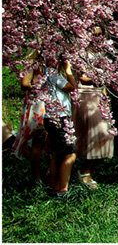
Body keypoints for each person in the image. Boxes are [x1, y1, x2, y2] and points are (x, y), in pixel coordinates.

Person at [16, 54, 77, 196]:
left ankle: (54, 185)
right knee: (70, 154)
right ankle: (62, 189)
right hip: (57, 117)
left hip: (52, 116)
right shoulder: (51, 73)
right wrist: (68, 71)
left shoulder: (47, 73)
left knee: (56, 153)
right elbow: (71, 87)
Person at [73, 32, 116, 189]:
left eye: (99, 35)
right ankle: (84, 172)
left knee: (104, 134)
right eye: (94, 34)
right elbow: (83, 77)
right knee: (92, 133)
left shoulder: (102, 53)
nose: (96, 38)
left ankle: (89, 171)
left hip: (99, 94)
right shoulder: (80, 53)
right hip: (86, 95)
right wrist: (103, 75)